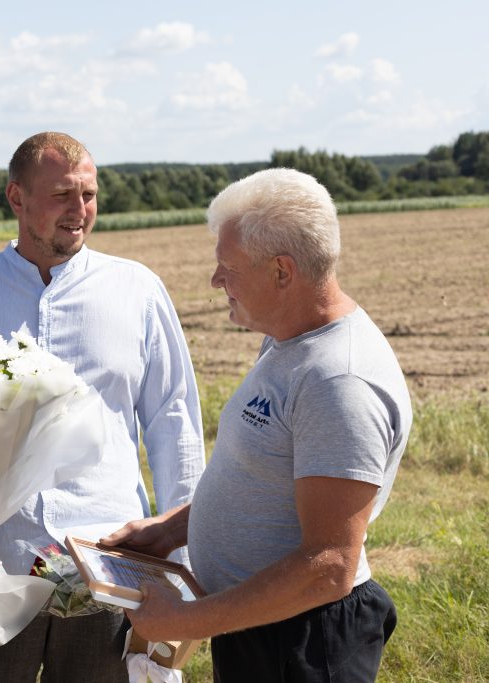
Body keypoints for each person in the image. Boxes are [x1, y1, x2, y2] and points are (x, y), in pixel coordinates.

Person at [0, 132, 206, 682]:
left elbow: (174, 422)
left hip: (112, 562)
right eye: (62, 196)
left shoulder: (137, 290)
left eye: (89, 196)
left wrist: (185, 552)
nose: (80, 212)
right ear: (16, 198)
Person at [106, 168, 411, 682]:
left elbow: (329, 566)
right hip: (263, 625)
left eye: (228, 267)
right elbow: (261, 477)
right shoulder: (289, 340)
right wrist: (167, 530)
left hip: (302, 641)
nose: (216, 281)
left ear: (282, 272)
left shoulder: (338, 381)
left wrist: (184, 620)